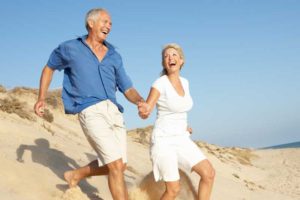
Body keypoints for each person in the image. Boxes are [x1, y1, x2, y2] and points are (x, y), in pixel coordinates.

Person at [34, 8, 144, 200]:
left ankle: (75, 175)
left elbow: (127, 88)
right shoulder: (70, 48)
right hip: (90, 110)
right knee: (116, 166)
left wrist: (141, 101)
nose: (109, 26)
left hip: (114, 112)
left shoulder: (114, 55)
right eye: (105, 21)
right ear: (91, 23)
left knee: (120, 165)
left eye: (110, 23)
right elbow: (49, 68)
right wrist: (41, 97)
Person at [138, 43, 215, 200]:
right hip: (163, 141)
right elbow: (148, 107)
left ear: (181, 60)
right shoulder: (160, 83)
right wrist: (144, 109)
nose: (170, 58)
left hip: (181, 137)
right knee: (173, 190)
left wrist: (184, 126)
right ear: (163, 63)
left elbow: (178, 109)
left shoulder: (185, 82)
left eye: (173, 55)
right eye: (166, 56)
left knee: (209, 173)